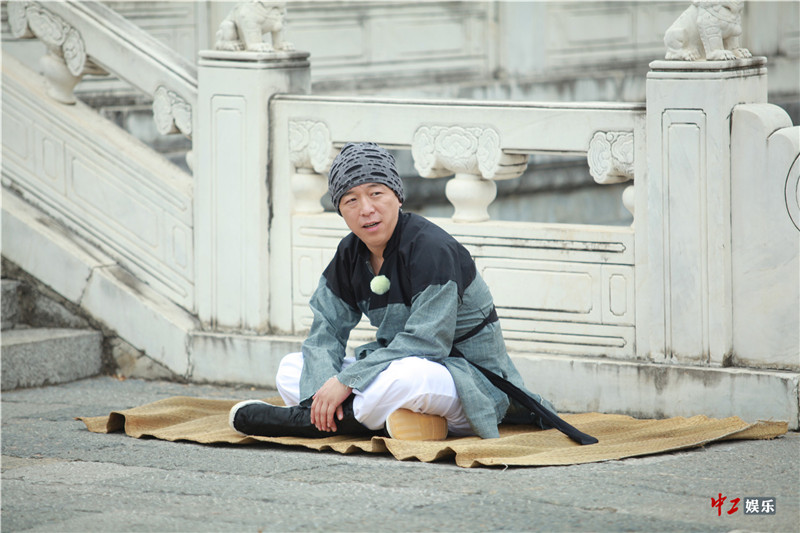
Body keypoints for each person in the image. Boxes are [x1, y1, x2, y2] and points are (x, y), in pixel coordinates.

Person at [229, 142, 557, 441]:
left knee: (407, 375)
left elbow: (427, 343)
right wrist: (320, 392)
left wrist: (346, 381)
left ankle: (312, 423)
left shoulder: (432, 249)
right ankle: (347, 417)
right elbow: (325, 330)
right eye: (351, 200)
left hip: (465, 379)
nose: (366, 209)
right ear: (340, 210)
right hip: (397, 369)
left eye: (376, 193)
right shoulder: (349, 254)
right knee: (292, 367)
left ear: (398, 196)